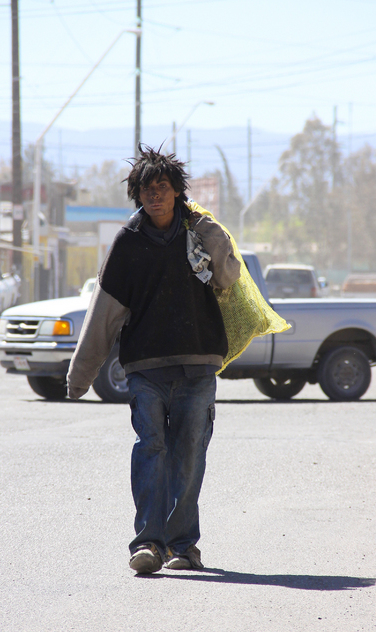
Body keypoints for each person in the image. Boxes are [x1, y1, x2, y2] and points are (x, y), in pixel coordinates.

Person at [66, 145, 241, 574]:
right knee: (151, 450)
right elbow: (104, 313)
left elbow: (228, 276)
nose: (155, 195)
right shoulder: (127, 243)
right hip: (146, 369)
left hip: (198, 365)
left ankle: (183, 546)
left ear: (177, 191)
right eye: (147, 189)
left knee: (189, 457)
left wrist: (211, 230)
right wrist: (81, 375)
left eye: (162, 187)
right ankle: (148, 544)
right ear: (138, 195)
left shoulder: (200, 232)